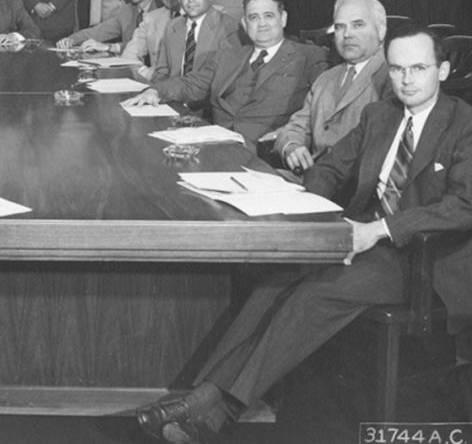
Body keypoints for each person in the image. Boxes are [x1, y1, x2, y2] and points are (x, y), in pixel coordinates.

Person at [134, 24, 472, 444]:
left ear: (441, 70)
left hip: (423, 261)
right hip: (357, 239)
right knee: (274, 281)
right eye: (398, 68)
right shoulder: (380, 114)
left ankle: (217, 408)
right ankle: (203, 400)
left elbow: (463, 207)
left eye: (418, 68)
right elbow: (331, 168)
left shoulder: (463, 123)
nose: (406, 79)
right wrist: (302, 204)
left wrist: (380, 230)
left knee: (317, 292)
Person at [125, 0, 327, 147]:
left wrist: (289, 137)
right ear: (245, 23)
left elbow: (319, 110)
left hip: (265, 151)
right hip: (216, 145)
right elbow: (191, 84)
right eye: (254, 18)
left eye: (269, 16)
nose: (262, 24)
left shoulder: (309, 56)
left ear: (283, 19)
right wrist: (155, 90)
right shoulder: (227, 55)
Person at [268, 0, 390, 172]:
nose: (347, 34)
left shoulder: (392, 76)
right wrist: (292, 146)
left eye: (358, 25)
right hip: (313, 176)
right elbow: (297, 126)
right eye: (340, 27)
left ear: (381, 30)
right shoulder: (326, 78)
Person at [149, 0, 243, 83]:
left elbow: (217, 81)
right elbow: (162, 72)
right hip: (172, 97)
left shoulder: (228, 27)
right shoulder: (172, 27)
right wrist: (155, 92)